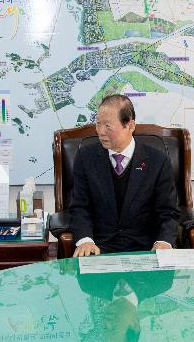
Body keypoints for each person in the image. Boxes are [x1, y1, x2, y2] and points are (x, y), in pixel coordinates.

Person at [69, 94, 180, 257]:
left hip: (145, 247)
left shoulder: (158, 161)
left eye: (108, 126)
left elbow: (167, 212)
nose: (100, 132)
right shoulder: (86, 157)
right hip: (99, 246)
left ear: (130, 125)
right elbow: (80, 207)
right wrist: (85, 240)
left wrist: (163, 241)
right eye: (98, 124)